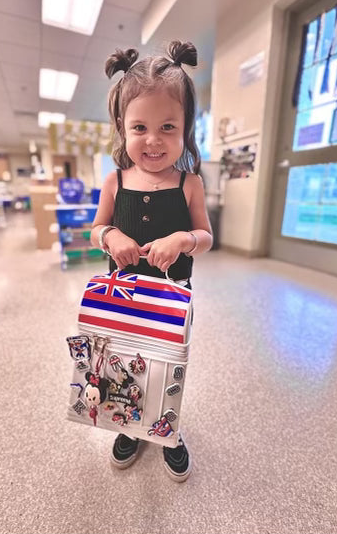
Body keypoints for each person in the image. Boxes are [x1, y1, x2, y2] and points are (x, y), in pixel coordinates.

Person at [90, 40, 213, 482]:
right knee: (125, 363)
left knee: (166, 365)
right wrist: (111, 235)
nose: (153, 140)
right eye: (140, 127)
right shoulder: (114, 180)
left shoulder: (190, 183)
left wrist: (183, 239)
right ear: (122, 126)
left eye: (167, 127)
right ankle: (131, 425)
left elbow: (206, 237)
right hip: (122, 297)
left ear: (185, 129)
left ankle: (168, 428)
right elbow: (96, 228)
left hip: (172, 299)